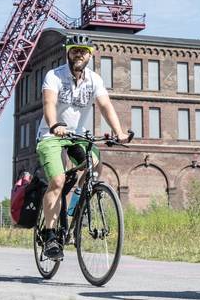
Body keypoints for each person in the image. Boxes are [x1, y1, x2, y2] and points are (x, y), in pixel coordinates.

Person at [36, 33, 130, 259]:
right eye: (75, 50)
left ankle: (79, 204)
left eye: (84, 51)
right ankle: (50, 236)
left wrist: (119, 132)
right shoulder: (54, 76)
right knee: (57, 181)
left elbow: (105, 105)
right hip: (51, 135)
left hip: (76, 135)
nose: (79, 54)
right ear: (68, 53)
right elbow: (49, 103)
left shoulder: (94, 80)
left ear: (90, 55)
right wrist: (54, 124)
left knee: (95, 165)